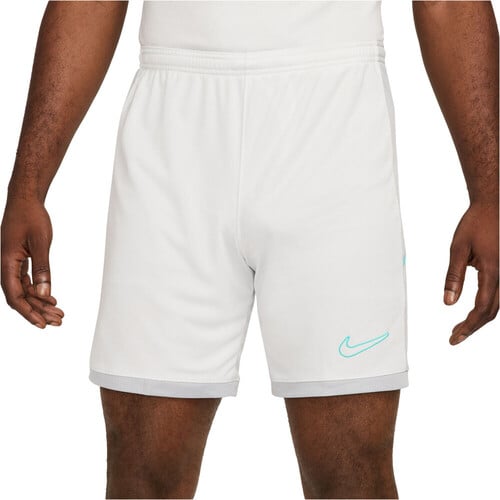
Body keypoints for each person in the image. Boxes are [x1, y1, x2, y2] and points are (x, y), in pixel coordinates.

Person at [1, 1, 498, 499]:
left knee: (352, 475)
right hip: (174, 136)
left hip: (334, 126)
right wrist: (27, 186)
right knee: (143, 476)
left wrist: (490, 193)